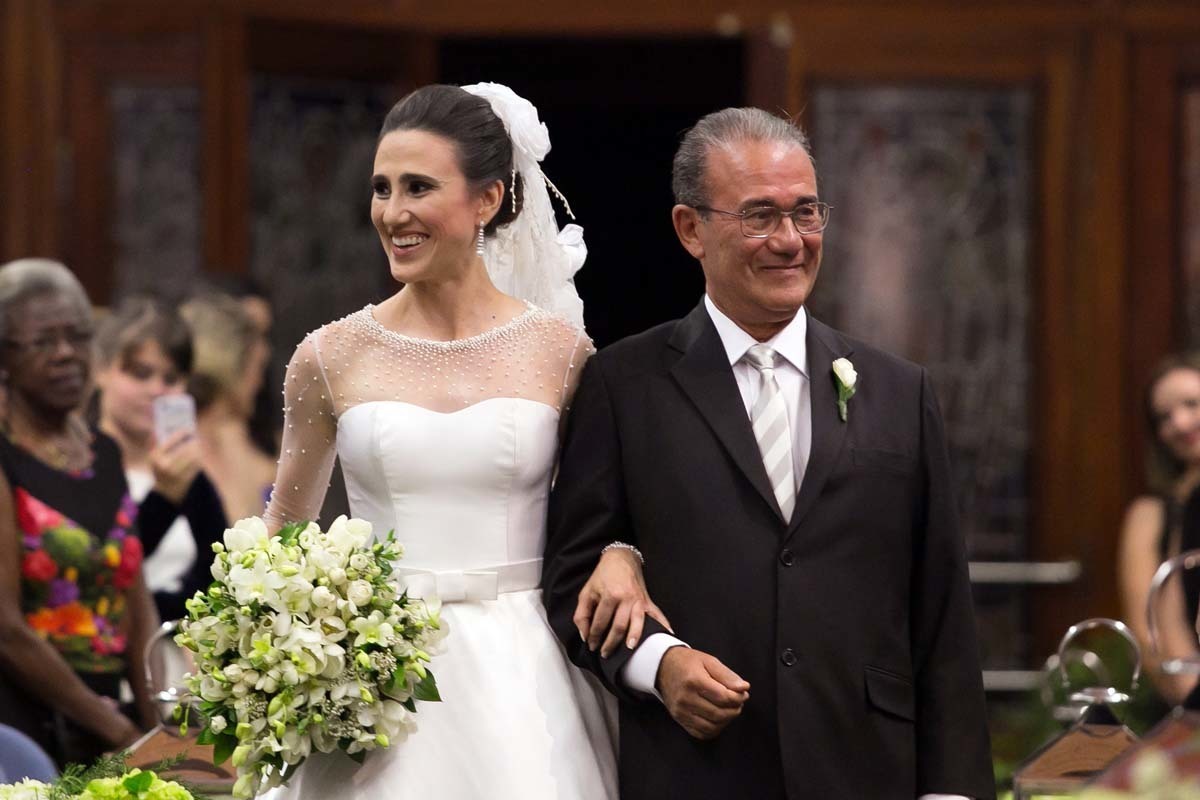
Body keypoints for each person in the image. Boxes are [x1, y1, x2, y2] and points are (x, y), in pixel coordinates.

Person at [542, 108, 995, 800]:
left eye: (806, 213)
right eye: (759, 216)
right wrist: (657, 665)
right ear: (691, 229)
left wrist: (953, 790)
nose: (790, 240)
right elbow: (573, 573)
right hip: (698, 770)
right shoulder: (622, 386)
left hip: (867, 768)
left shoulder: (901, 391)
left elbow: (943, 615)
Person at [261, 83, 663, 799]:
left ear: (488, 200)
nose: (393, 212)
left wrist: (619, 553)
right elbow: (284, 539)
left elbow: (600, 513)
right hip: (374, 680)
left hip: (525, 674)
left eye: (419, 187)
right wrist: (268, 658)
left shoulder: (561, 351)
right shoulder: (329, 356)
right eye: (381, 189)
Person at [0, 259, 155, 766]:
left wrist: (155, 729)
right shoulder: (5, 459)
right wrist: (114, 726)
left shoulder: (104, 454)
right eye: (43, 341)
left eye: (79, 336)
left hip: (112, 726)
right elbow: (5, 626)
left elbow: (135, 602)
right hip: (24, 726)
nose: (66, 353)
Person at [93, 298, 228, 622]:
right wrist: (164, 499)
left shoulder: (189, 472)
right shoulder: (83, 462)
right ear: (101, 370)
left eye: (170, 379)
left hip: (179, 654)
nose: (156, 389)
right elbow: (100, 571)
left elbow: (222, 573)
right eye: (140, 373)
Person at [1119, 354, 1200, 705]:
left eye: (1191, 404)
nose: (1180, 423)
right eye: (1163, 418)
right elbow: (1152, 634)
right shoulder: (1152, 514)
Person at [179, 293, 275, 523]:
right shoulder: (180, 442)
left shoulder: (233, 437)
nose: (260, 383)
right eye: (257, 368)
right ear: (231, 366)